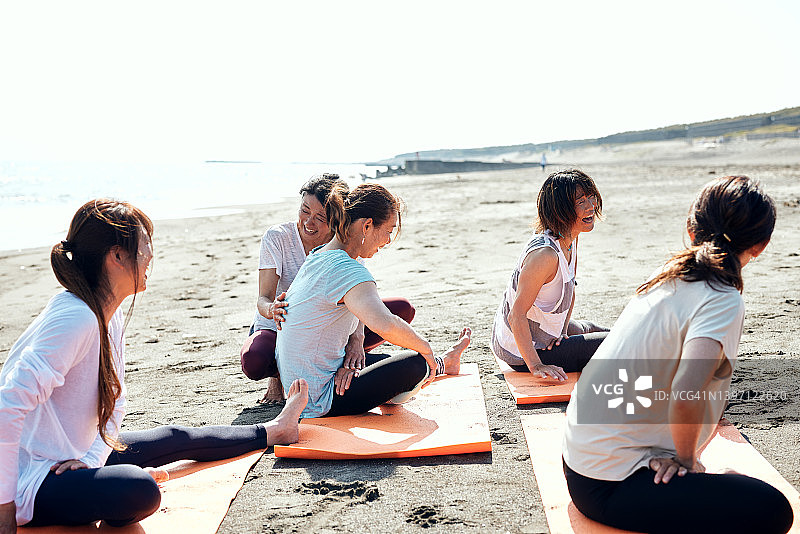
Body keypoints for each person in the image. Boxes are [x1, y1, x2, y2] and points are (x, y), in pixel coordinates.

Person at [0, 199, 308, 531]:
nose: (150, 256)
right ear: (117, 256)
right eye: (146, 246)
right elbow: (7, 405)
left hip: (70, 456)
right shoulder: (76, 317)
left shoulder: (108, 310)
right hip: (27, 483)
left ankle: (275, 430)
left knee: (175, 437)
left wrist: (90, 463)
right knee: (139, 489)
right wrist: (5, 509)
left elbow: (115, 403)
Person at [562, 176, 792, 533]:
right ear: (760, 246)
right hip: (608, 482)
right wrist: (686, 462)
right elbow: (687, 392)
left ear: (691, 227)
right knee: (774, 510)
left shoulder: (671, 274)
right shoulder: (721, 297)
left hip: (582, 458)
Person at [274, 182, 472, 418]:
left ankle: (446, 362)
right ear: (367, 225)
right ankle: (438, 361)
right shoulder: (345, 268)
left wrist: (345, 366)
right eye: (388, 231)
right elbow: (385, 324)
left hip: (302, 388)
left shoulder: (319, 256)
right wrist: (426, 350)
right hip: (318, 400)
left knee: (388, 361)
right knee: (416, 363)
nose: (388, 241)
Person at [240, 174, 416, 403]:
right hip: (279, 322)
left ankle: (345, 361)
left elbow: (359, 297)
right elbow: (263, 298)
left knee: (402, 310)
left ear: (336, 219)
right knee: (254, 360)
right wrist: (271, 309)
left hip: (327, 324)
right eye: (304, 210)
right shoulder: (278, 238)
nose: (308, 222)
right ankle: (279, 375)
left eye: (319, 217)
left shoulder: (347, 241)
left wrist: (356, 340)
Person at [491, 169, 609, 381]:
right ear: (559, 210)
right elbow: (516, 315)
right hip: (522, 351)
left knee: (591, 328)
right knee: (615, 344)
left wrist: (563, 332)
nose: (591, 206)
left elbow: (570, 289)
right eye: (580, 201)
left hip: (546, 333)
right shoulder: (545, 255)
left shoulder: (570, 238)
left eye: (591, 197)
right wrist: (536, 365)